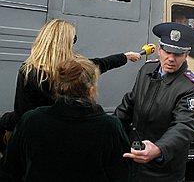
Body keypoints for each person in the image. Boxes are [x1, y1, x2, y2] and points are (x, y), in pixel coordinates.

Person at [0, 19, 141, 150]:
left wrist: (5, 120)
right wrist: (125, 57)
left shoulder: (29, 71)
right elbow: (101, 64)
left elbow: (21, 115)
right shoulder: (76, 69)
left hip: (38, 137)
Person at [1, 58, 132, 182]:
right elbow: (122, 174)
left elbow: (10, 170)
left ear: (58, 87)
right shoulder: (110, 126)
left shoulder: (31, 120)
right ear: (91, 90)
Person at [114, 22, 194, 182]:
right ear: (159, 49)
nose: (171, 59)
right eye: (167, 52)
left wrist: (159, 149)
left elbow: (185, 126)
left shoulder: (190, 86)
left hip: (162, 170)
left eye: (177, 54)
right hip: (133, 162)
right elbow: (130, 104)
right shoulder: (147, 70)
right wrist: (110, 130)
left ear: (186, 55)